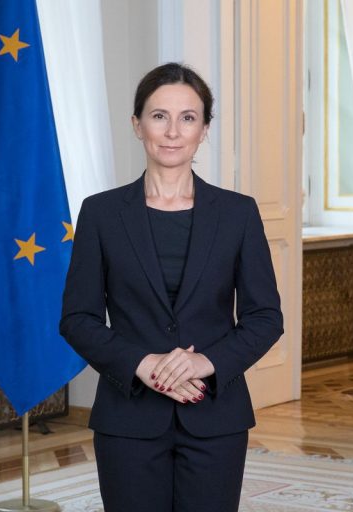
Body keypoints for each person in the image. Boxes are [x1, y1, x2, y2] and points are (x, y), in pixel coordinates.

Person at [60, 62, 283, 512]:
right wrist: (143, 364)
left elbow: (265, 317)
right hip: (128, 419)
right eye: (159, 116)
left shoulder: (238, 213)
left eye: (188, 118)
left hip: (216, 418)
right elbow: (78, 319)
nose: (173, 132)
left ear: (204, 129)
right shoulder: (101, 214)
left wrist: (205, 362)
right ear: (137, 124)